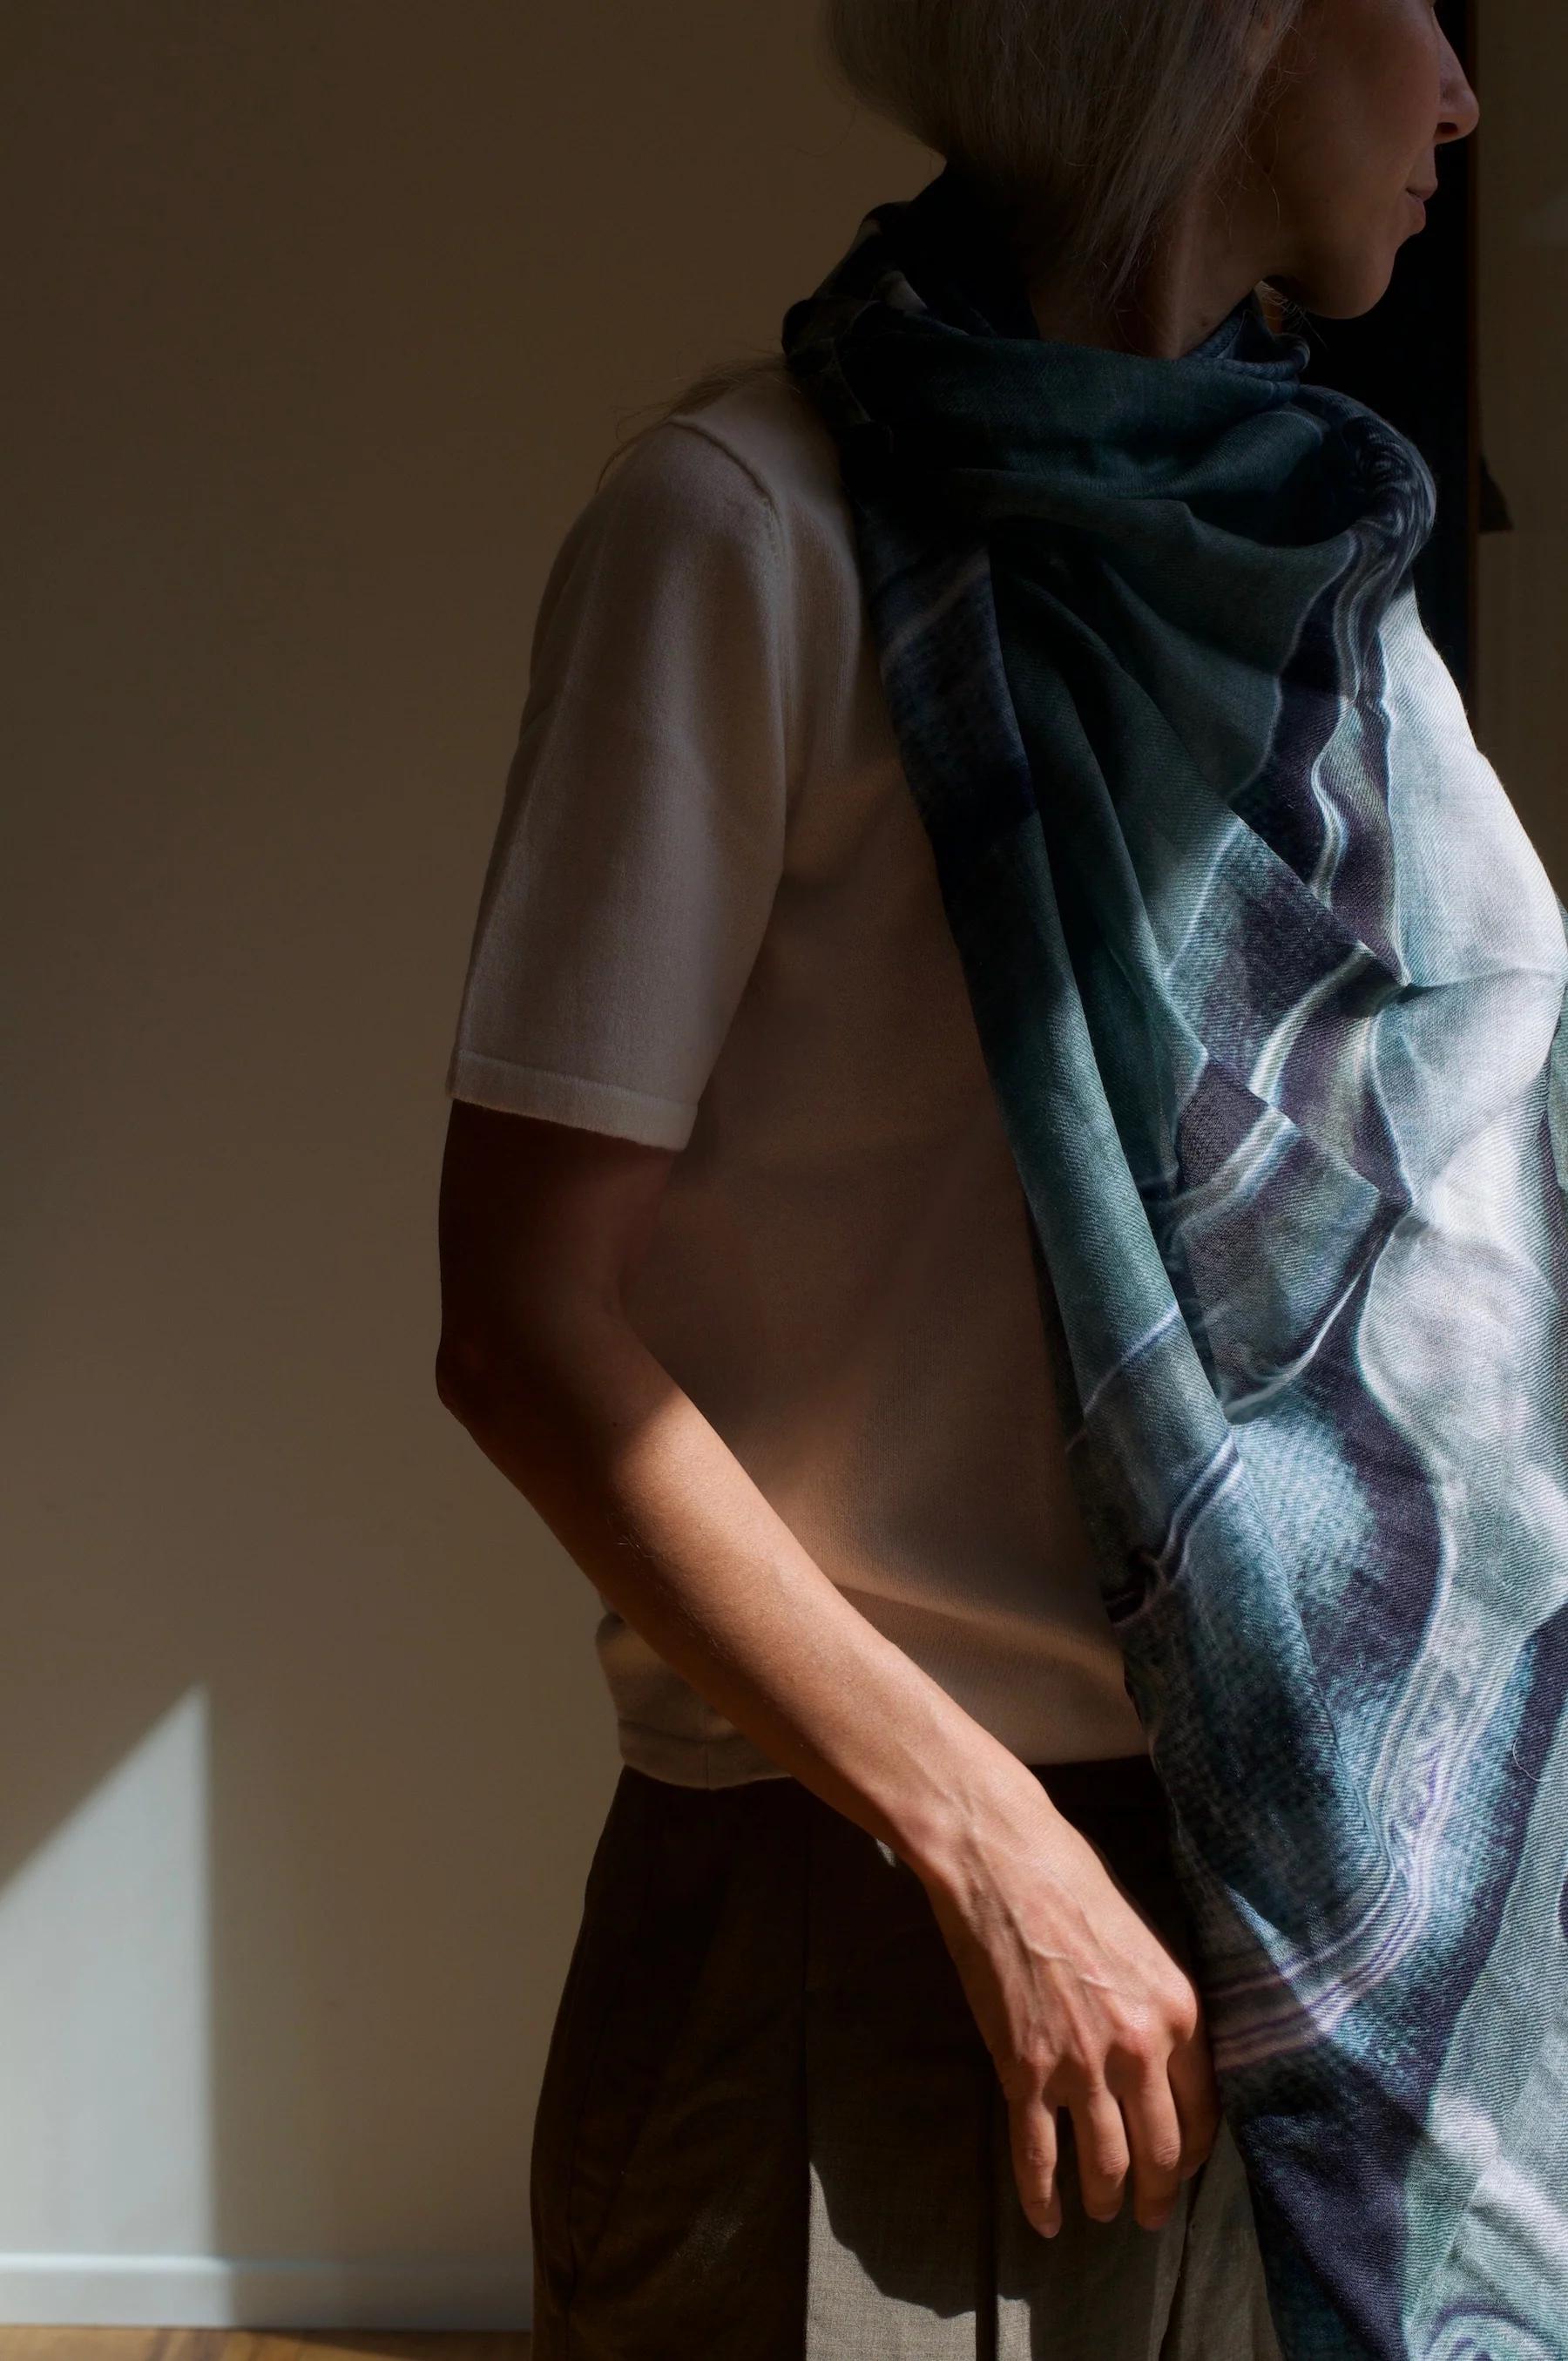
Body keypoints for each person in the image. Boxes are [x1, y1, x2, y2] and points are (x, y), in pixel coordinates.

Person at [434, 1, 1480, 2352]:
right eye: (1414, 2)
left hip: (1258, 1907)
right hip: (851, 1923)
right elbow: (519, 1324)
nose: (1461, 91)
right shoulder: (745, 529)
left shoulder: (1312, 578)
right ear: (1232, 35)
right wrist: (986, 1843)